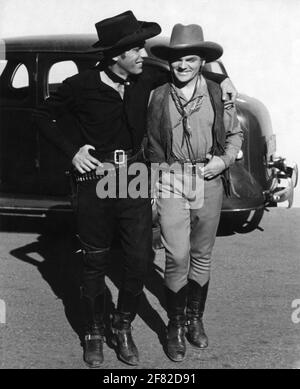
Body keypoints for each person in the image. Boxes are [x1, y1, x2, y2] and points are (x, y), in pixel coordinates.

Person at [35, 11, 237, 368]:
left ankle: (122, 325)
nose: (145, 55)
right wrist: (73, 152)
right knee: (95, 261)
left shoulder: (146, 79)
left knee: (139, 259)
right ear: (117, 56)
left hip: (135, 175)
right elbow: (43, 116)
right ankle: (95, 332)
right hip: (96, 178)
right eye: (138, 50)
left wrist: (226, 89)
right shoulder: (81, 86)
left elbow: (189, 71)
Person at [147, 23, 243, 362]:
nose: (183, 66)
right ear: (169, 62)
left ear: (202, 61)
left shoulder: (220, 94)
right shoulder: (156, 95)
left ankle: (194, 319)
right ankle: (173, 325)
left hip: (208, 179)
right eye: (177, 60)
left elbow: (235, 136)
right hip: (171, 178)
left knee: (202, 254)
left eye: (190, 59)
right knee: (176, 255)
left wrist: (223, 160)